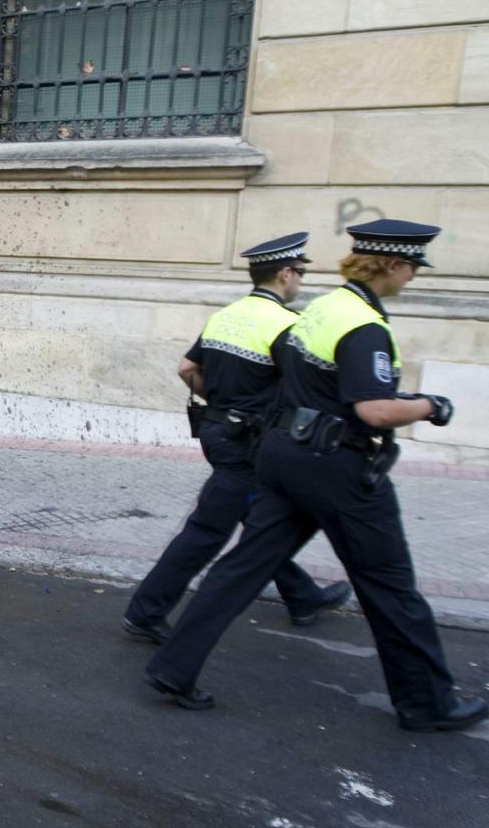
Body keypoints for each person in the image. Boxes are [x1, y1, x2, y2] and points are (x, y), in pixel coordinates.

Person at [144, 219, 489, 733]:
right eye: (412, 266)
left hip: (283, 456)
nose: (413, 276)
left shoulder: (324, 306)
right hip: (337, 466)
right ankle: (426, 702)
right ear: (392, 264)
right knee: (390, 584)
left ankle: (173, 667)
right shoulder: (364, 326)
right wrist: (428, 406)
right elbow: (372, 409)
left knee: (240, 568)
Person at [122, 232, 351, 645]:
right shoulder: (287, 326)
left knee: (265, 520)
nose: (299, 280)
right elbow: (303, 391)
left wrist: (223, 402)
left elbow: (186, 368)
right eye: (299, 272)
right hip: (248, 445)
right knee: (208, 531)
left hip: (218, 431)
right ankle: (145, 611)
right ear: (285, 274)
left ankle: (303, 597)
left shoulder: (225, 316)